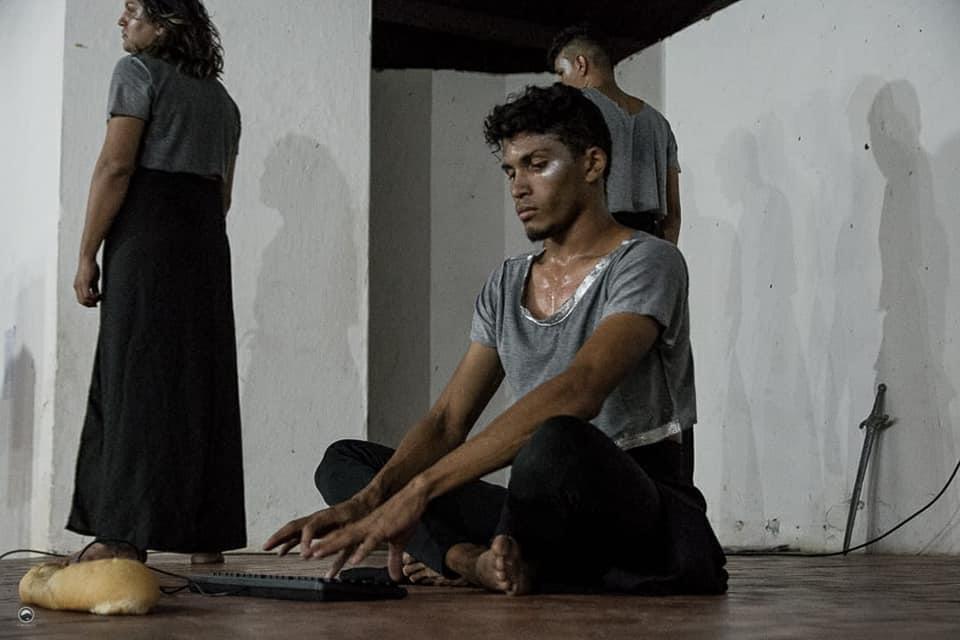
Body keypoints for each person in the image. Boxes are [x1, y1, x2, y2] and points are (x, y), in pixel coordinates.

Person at [265, 83, 725, 595]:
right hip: (539, 507)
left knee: (556, 436)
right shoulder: (507, 283)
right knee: (346, 461)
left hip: (637, 513)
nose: (519, 187)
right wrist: (370, 500)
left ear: (592, 164)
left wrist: (419, 492)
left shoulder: (648, 260)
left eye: (537, 165)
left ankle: (483, 555)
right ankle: (470, 560)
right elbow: (447, 421)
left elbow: (581, 388)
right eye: (510, 171)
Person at [67, 0, 245, 565]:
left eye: (132, 11)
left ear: (164, 24)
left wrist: (87, 253)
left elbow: (116, 167)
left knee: (132, 375)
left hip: (149, 234)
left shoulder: (136, 72)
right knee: (201, 382)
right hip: (205, 242)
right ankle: (206, 540)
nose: (121, 21)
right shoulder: (222, 101)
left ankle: (122, 535)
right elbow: (223, 195)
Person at [548, 25, 682, 245]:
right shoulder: (659, 123)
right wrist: (663, 257)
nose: (561, 82)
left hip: (595, 241)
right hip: (648, 243)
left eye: (562, 73)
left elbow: (561, 195)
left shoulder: (574, 109)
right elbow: (673, 215)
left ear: (580, 64)